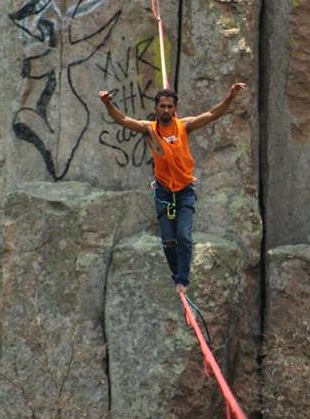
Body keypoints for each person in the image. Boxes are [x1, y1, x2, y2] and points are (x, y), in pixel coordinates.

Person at [98, 83, 247, 293]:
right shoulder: (149, 128)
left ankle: (182, 280)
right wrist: (108, 103)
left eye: (169, 106)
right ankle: (176, 275)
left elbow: (212, 114)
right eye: (162, 106)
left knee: (184, 236)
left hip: (184, 190)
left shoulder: (184, 126)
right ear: (156, 108)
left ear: (174, 109)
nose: (166, 110)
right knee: (168, 241)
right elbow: (122, 120)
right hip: (164, 191)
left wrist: (230, 97)